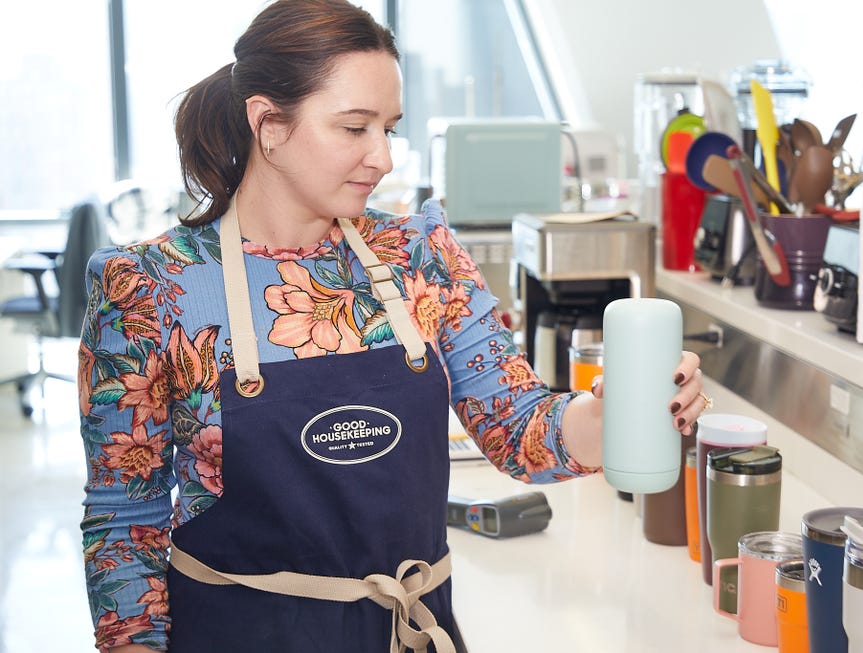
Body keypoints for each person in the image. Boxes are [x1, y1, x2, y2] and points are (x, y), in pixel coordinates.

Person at [77, 1, 706, 651]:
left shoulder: (421, 256)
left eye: (389, 128)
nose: (382, 157)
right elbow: (126, 522)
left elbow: (520, 428)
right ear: (268, 124)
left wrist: (628, 413)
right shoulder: (149, 288)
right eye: (354, 128)